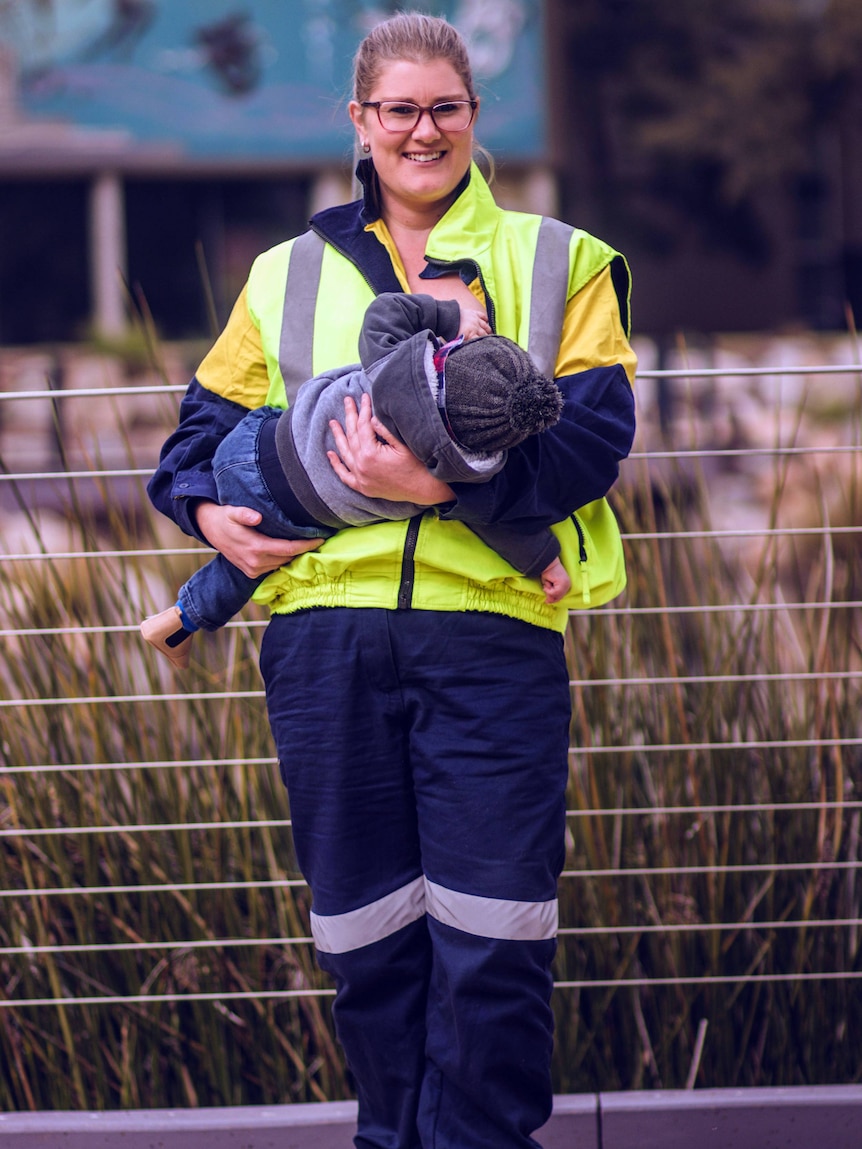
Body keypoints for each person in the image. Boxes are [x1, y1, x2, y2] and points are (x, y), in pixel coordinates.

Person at [147, 11, 636, 1148]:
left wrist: (441, 491)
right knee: (365, 948)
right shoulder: (285, 274)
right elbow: (190, 448)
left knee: (493, 947)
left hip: (493, 643)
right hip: (322, 649)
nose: (423, 131)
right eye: (399, 111)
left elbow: (589, 447)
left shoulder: (559, 259)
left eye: (445, 109)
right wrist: (213, 515)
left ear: (476, 117)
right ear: (360, 123)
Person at [141, 292, 569, 669]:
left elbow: (387, 311)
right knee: (253, 563)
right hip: (292, 515)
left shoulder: (396, 367)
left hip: (254, 445)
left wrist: (450, 316)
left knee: (304, 416)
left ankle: (177, 621)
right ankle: (184, 618)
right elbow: (495, 524)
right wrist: (544, 561)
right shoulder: (455, 469)